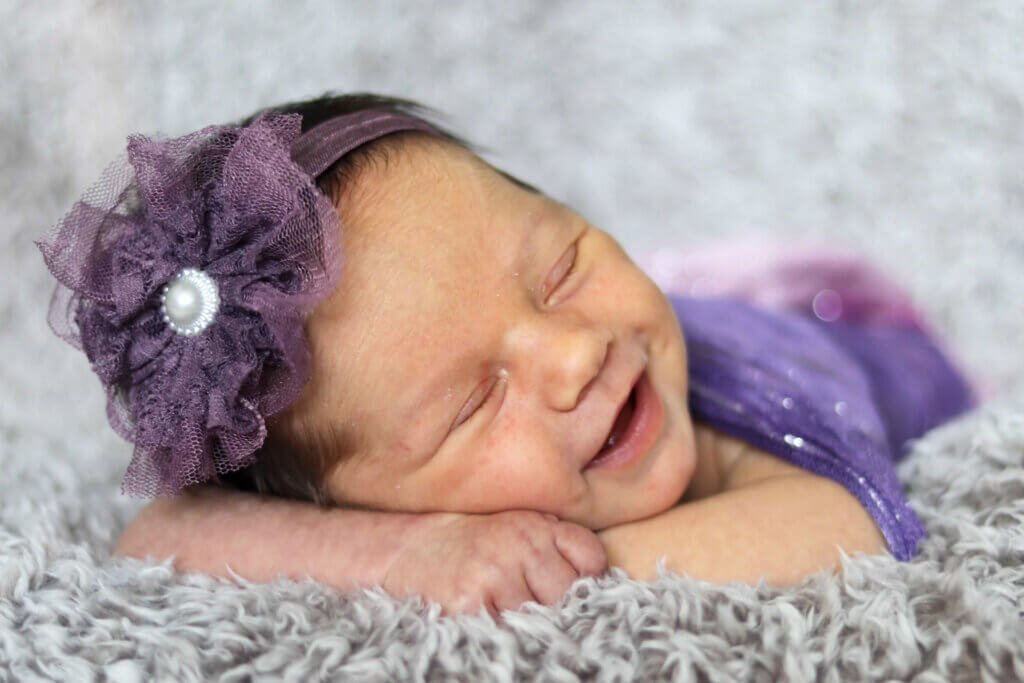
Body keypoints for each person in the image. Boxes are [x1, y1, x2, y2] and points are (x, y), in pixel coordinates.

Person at [36, 93, 976, 619]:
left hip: (834, 332)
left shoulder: (747, 395)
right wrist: (410, 554)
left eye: (561, 267)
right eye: (473, 403)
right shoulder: (399, 508)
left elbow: (846, 525)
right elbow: (158, 535)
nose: (574, 357)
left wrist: (542, 568)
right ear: (367, 501)